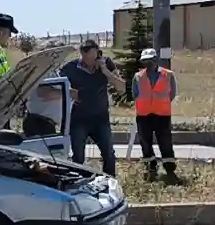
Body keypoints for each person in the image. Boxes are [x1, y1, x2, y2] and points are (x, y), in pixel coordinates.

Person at [59, 40, 126, 175]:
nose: (91, 62)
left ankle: (109, 181)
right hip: (79, 118)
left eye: (94, 57)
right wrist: (71, 91)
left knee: (108, 153)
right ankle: (78, 182)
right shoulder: (71, 68)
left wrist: (105, 71)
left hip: (100, 118)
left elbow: (122, 87)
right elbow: (56, 85)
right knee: (78, 156)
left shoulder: (106, 63)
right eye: (87, 58)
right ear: (82, 54)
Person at [133, 48, 179, 183]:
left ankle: (170, 170)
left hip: (162, 114)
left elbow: (172, 94)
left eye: (150, 61)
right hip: (143, 115)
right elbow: (135, 93)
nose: (148, 64)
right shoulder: (138, 76)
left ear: (155, 60)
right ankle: (150, 169)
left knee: (165, 143)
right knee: (145, 143)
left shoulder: (168, 75)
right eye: (145, 61)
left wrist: (160, 104)